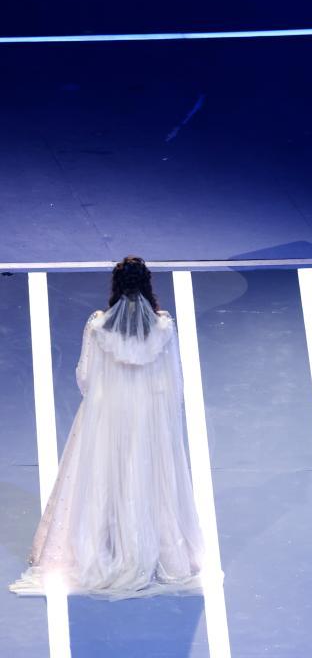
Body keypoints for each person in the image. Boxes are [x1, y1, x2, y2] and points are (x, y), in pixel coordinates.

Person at [10, 257, 204, 599]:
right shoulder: (163, 328)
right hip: (146, 416)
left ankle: (102, 547)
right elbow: (172, 382)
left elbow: (85, 377)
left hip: (106, 414)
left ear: (116, 285)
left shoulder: (98, 326)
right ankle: (152, 551)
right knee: (144, 479)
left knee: (99, 478)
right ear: (147, 284)